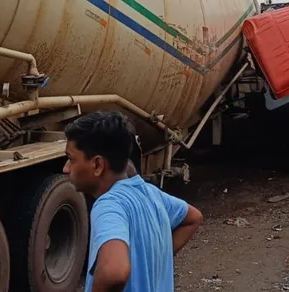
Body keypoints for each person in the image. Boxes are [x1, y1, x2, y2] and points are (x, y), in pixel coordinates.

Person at [64, 111, 203, 292]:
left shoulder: (108, 206)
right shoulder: (152, 193)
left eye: (71, 159)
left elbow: (114, 272)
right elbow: (193, 218)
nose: (66, 168)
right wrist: (154, 260)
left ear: (98, 165)